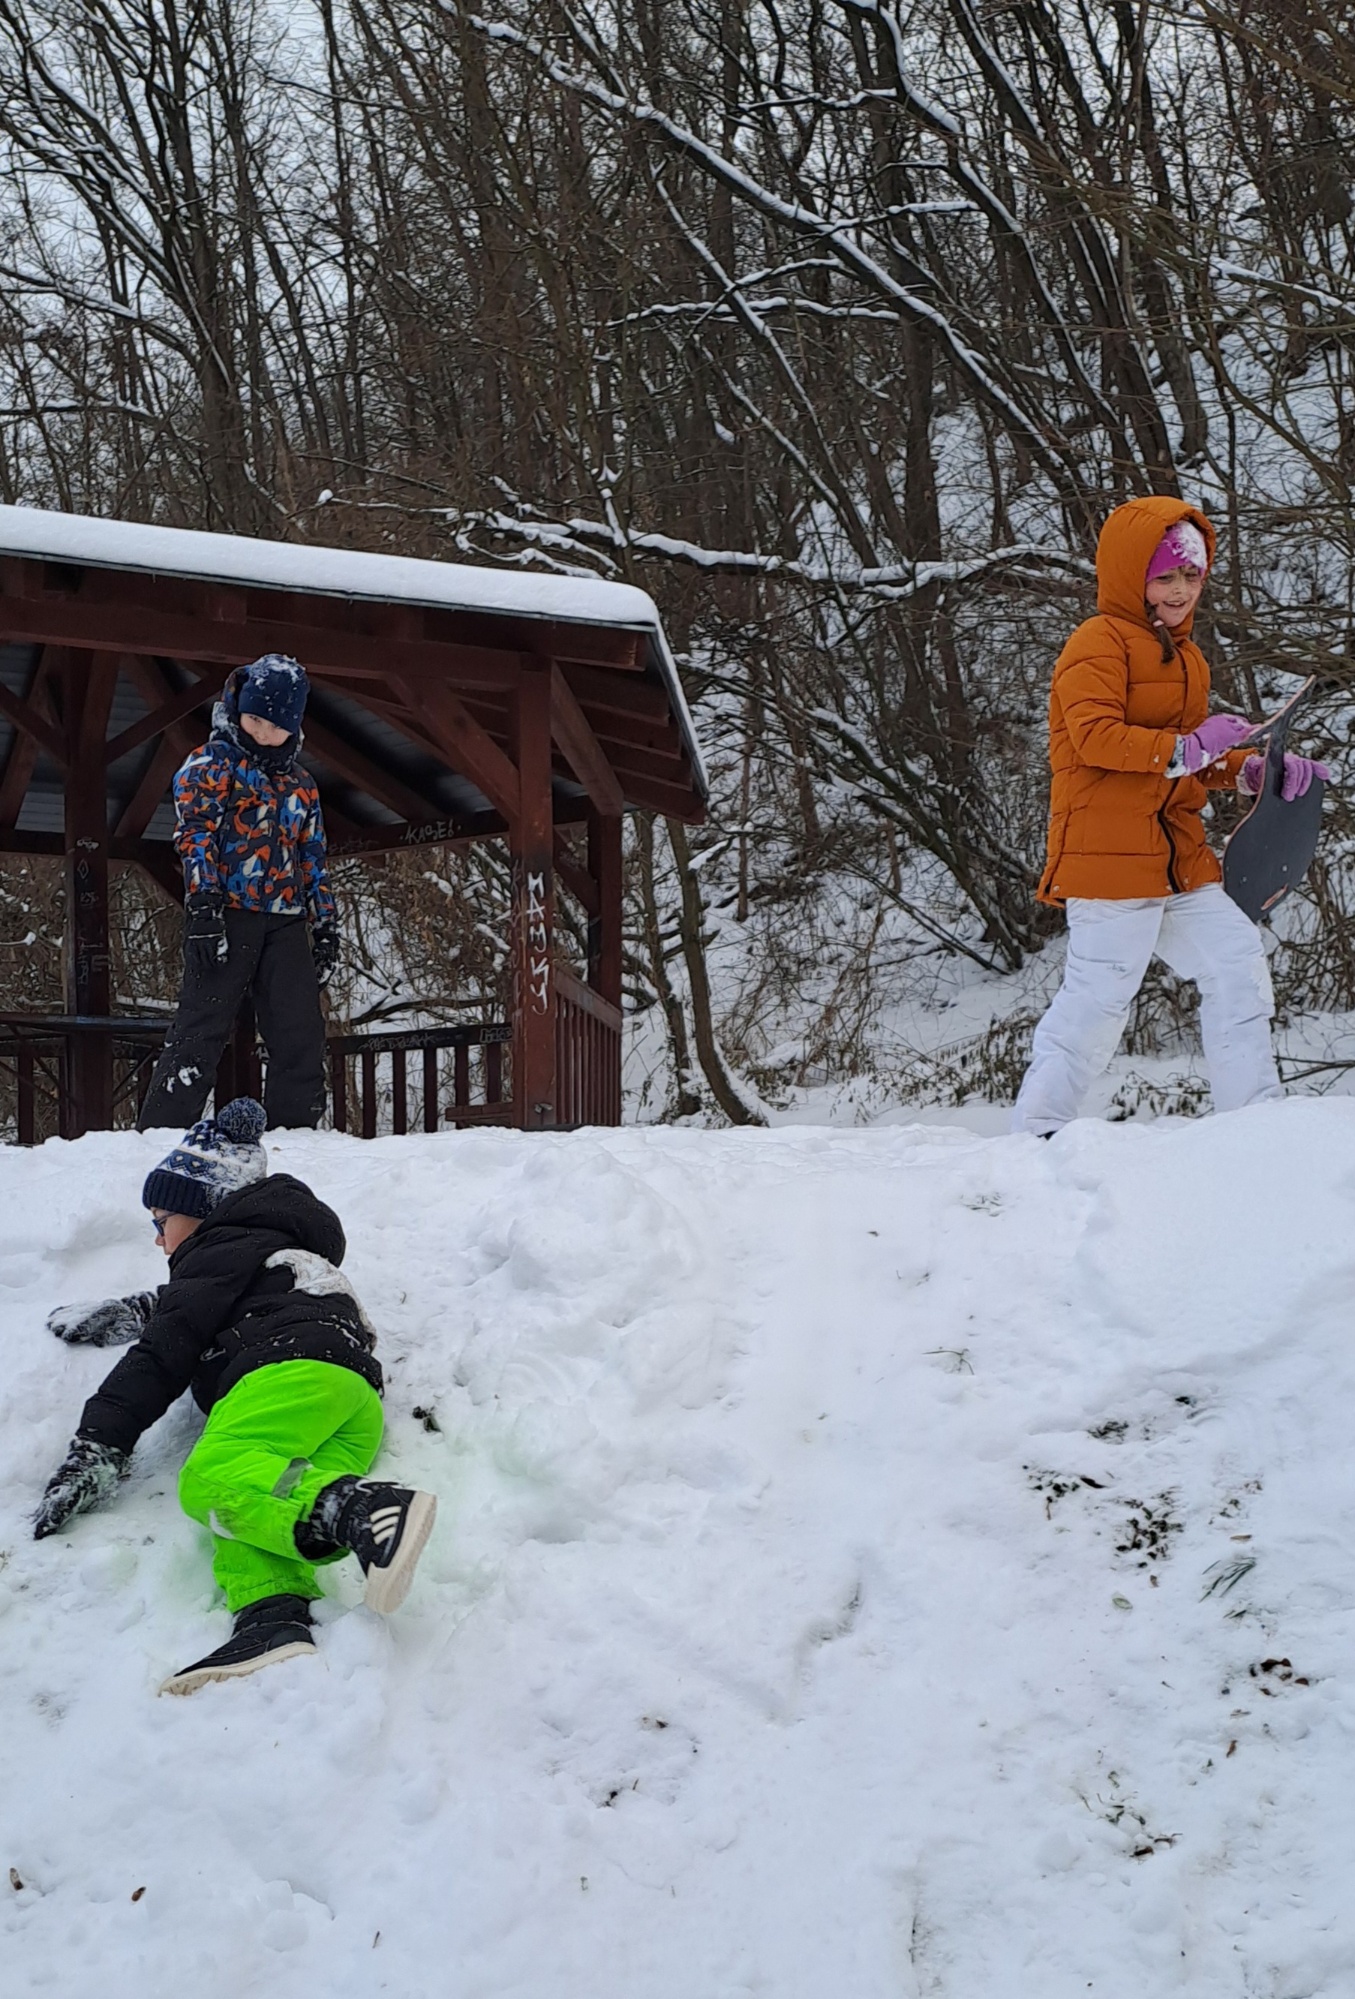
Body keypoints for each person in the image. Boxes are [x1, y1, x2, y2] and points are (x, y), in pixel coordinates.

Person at [33, 1098, 438, 1696]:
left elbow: (164, 1350)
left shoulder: (220, 1251)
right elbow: (199, 1304)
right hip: (347, 1399)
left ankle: (360, 1512)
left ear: (205, 1211)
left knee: (211, 1478)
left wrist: (97, 1446)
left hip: (286, 1373)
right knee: (254, 1504)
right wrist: (139, 1308)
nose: (158, 1239)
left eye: (161, 1221)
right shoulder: (265, 1252)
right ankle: (272, 1616)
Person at [1011, 497, 1330, 1137]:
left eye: (1192, 575)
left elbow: (1186, 760)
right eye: (1165, 576)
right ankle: (1038, 1131)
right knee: (1099, 1000)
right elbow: (1097, 739)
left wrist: (1248, 769)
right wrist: (1194, 747)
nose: (1181, 590)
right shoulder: (1096, 643)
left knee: (1235, 965)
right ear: (1132, 576)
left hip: (1178, 860)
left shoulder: (1187, 657)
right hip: (1109, 862)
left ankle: (1255, 1123)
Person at [137, 654, 340, 1133]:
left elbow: (313, 857)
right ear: (236, 709)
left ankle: (296, 1134)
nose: (265, 734)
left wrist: (326, 924)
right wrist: (203, 906)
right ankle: (161, 1134)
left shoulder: (301, 786)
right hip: (226, 912)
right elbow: (195, 837)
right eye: (256, 720)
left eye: (278, 726)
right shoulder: (209, 765)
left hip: (286, 918)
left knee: (299, 1031)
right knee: (202, 1026)